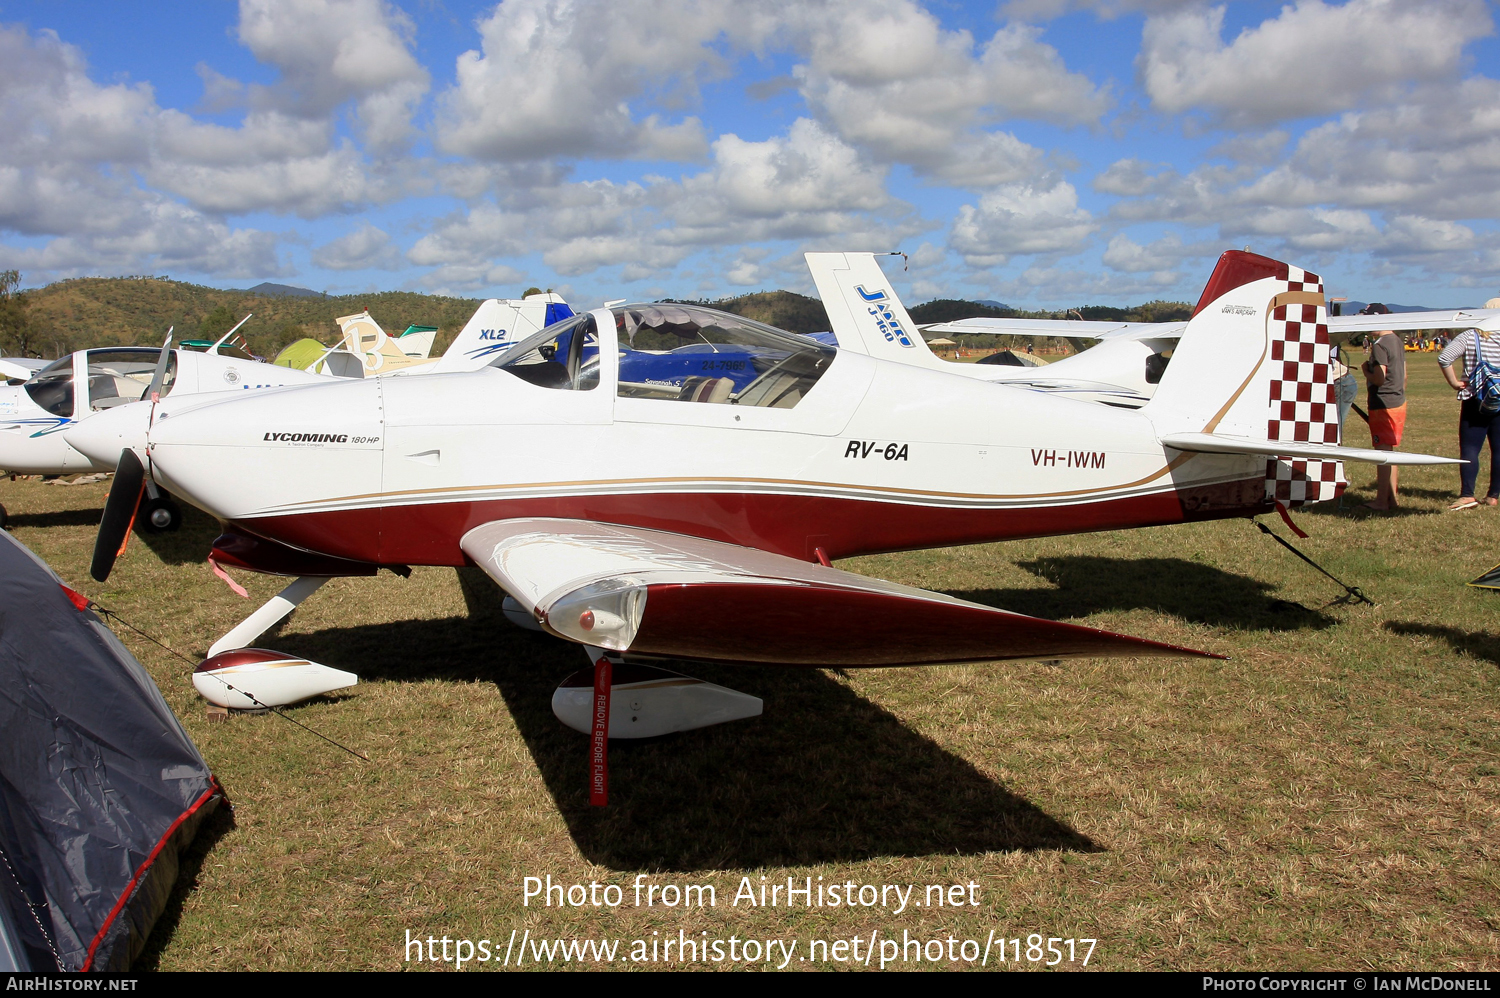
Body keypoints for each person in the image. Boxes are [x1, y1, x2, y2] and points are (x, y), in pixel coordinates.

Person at [1436, 296, 1500, 510]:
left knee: (1471, 447)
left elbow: (1445, 357)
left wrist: (1454, 382)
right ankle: (1493, 495)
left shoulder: (1470, 336)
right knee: (1498, 449)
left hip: (1476, 397)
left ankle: (1467, 494)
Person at [1360, 304, 1406, 511]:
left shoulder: (1380, 345)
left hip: (1382, 403)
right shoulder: (1396, 340)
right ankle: (1391, 498)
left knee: (1382, 453)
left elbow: (1380, 378)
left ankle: (1381, 501)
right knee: (1391, 451)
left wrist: (1365, 372)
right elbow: (1404, 376)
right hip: (1398, 401)